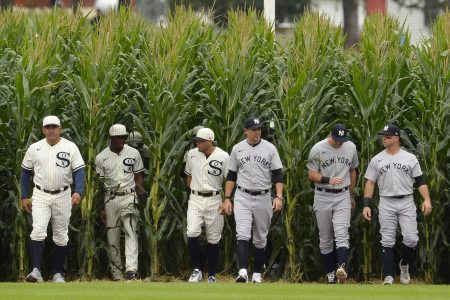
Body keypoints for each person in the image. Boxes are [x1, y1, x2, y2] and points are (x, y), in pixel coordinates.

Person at [362, 124, 432, 285]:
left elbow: (420, 182)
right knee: (386, 240)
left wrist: (426, 199)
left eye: (387, 136)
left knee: (411, 239)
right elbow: (370, 183)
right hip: (386, 201)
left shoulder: (409, 158)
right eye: (383, 136)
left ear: (396, 138)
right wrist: (366, 204)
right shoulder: (377, 159)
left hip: (406, 200)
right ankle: (388, 276)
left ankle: (404, 264)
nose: (384, 139)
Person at [21, 115, 85, 283]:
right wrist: (24, 196)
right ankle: (36, 271)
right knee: (38, 230)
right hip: (41, 194)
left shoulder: (70, 147)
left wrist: (78, 191)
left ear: (60, 128)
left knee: (61, 235)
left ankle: (58, 273)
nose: (51, 130)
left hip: (63, 194)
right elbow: (25, 172)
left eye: (54, 127)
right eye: (48, 127)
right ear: (43, 130)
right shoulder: (35, 148)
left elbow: (79, 170)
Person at [220, 116, 284, 283]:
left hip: (263, 196)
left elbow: (278, 174)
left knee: (261, 237)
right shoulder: (237, 149)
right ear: (245, 131)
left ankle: (256, 273)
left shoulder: (270, 148)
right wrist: (227, 198)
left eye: (259, 129)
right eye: (254, 129)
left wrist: (278, 196)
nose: (257, 132)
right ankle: (242, 272)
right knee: (242, 233)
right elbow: (231, 175)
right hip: (242, 195)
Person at [306, 123, 358, 284]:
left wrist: (351, 194)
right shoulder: (318, 148)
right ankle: (330, 274)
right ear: (331, 135)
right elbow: (311, 174)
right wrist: (327, 179)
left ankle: (341, 269)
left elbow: (353, 170)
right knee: (326, 237)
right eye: (336, 139)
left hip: (342, 195)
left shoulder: (350, 147)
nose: (338, 143)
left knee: (342, 233)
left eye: (341, 140)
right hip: (323, 195)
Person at [95, 124, 146, 281]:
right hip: (111, 198)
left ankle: (131, 270)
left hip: (129, 196)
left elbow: (138, 176)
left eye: (124, 137)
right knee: (112, 236)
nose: (122, 140)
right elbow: (99, 185)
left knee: (131, 231)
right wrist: (101, 207)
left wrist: (140, 196)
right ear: (111, 138)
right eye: (119, 137)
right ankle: (117, 273)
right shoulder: (101, 157)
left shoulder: (134, 153)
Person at [184, 128, 229, 283]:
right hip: (195, 198)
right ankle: (197, 270)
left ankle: (211, 275)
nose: (198, 143)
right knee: (192, 231)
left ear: (210, 140)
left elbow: (228, 179)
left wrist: (227, 200)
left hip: (214, 199)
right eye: (196, 140)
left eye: (201, 141)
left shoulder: (223, 156)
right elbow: (188, 176)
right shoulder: (191, 154)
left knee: (213, 238)